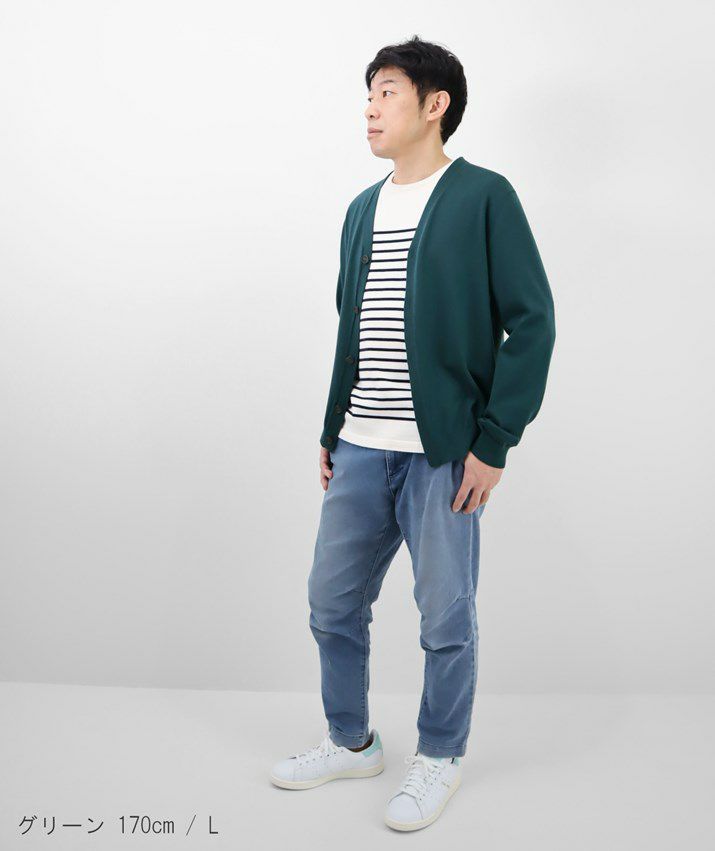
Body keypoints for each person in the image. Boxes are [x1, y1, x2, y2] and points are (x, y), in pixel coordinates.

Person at [269, 35, 556, 832]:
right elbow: (351, 328)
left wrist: (493, 441)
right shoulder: (361, 209)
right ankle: (350, 740)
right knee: (330, 601)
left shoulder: (483, 196)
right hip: (360, 445)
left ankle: (440, 754)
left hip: (443, 454)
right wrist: (332, 426)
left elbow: (531, 322)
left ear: (436, 105)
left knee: (444, 617)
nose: (369, 108)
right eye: (368, 93)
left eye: (387, 92)